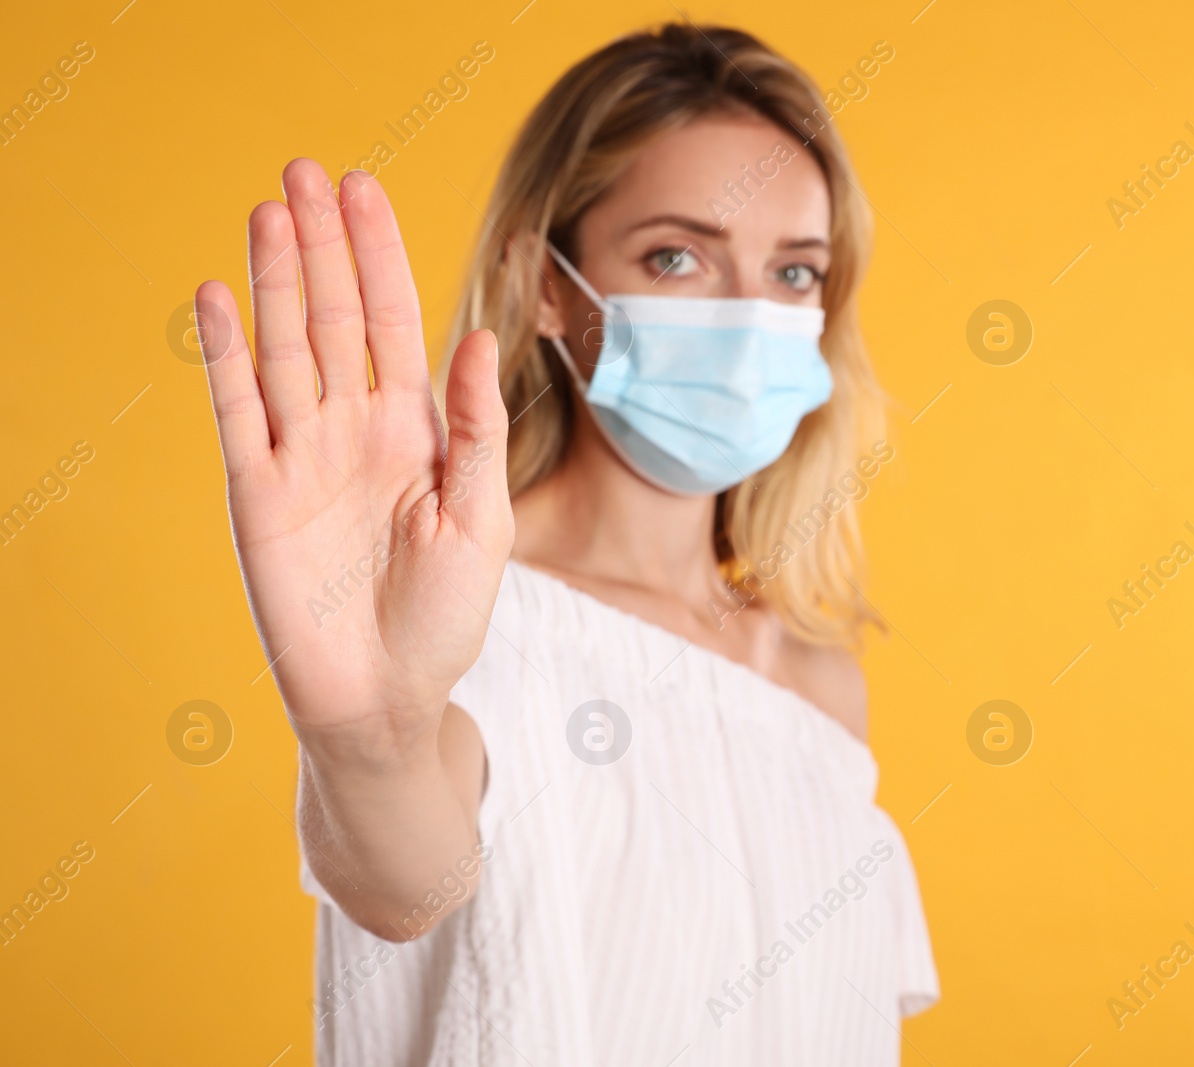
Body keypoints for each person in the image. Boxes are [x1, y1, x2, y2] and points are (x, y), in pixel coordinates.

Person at [193, 22, 937, 1066]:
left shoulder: (817, 684)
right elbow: (406, 880)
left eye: (796, 273)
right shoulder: (460, 614)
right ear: (549, 284)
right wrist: (371, 739)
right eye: (676, 256)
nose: (747, 316)